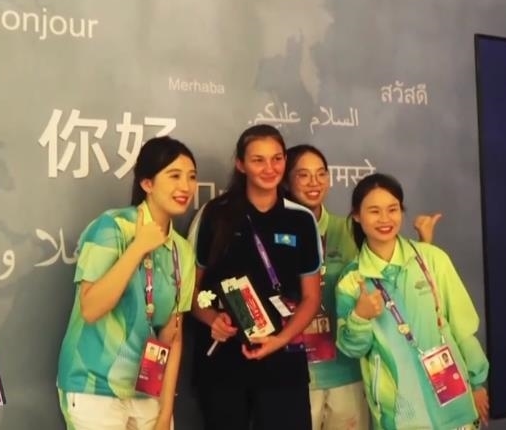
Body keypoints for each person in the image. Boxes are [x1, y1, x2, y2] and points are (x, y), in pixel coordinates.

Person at [283, 145, 443, 430]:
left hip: (347, 370)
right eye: (303, 175)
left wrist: (424, 245)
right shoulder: (274, 232)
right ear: (286, 180)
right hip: (294, 371)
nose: (314, 182)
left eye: (321, 174)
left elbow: (393, 275)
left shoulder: (349, 230)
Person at [56, 136, 199, 430]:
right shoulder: (112, 226)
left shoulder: (182, 250)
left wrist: (165, 413)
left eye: (192, 177)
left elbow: (172, 336)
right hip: (93, 386)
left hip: (147, 391)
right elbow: (91, 308)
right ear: (147, 183)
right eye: (174, 176)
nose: (185, 186)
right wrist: (138, 247)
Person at [189, 125, 323, 430]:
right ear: (241, 164)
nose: (269, 168)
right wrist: (212, 319)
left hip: (283, 362)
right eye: (258, 160)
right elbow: (189, 290)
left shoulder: (301, 219)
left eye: (277, 159)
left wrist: (280, 340)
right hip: (223, 366)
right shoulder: (215, 214)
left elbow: (311, 297)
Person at [335, 173, 489, 430]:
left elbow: (462, 327)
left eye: (392, 209)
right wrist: (360, 317)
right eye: (374, 211)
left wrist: (476, 382)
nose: (385, 219)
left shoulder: (432, 259)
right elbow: (352, 349)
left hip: (456, 403)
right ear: (357, 216)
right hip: (400, 414)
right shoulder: (352, 279)